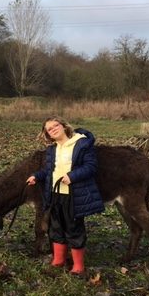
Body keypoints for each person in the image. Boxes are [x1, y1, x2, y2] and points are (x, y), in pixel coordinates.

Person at [26, 116, 104, 274]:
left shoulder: (81, 144)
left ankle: (78, 266)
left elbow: (91, 167)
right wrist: (37, 176)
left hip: (73, 195)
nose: (53, 129)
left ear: (63, 126)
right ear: (47, 134)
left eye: (56, 125)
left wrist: (72, 176)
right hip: (55, 194)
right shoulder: (52, 149)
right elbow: (50, 171)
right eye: (49, 129)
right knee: (56, 227)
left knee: (74, 228)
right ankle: (59, 260)